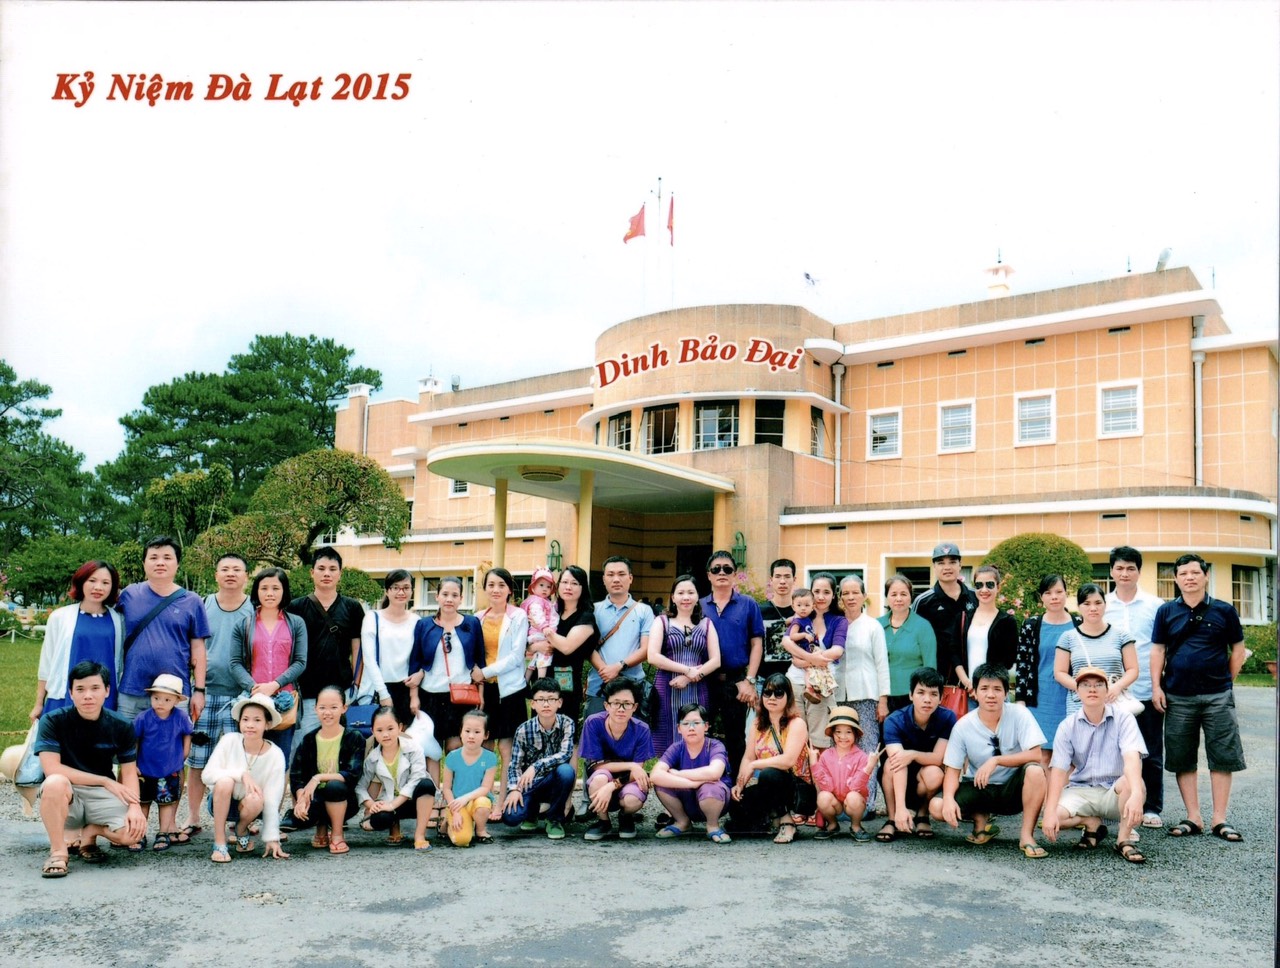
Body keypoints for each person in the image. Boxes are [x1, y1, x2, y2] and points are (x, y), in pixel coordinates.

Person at [1150, 553, 1247, 843]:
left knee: (1223, 756)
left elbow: (1238, 650)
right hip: (1178, 696)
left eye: (1195, 572)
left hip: (1218, 695)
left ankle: (1220, 819)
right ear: (1176, 578)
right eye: (1183, 573)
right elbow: (1158, 651)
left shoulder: (1224, 610)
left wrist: (1226, 681)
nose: (1189, 578)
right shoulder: (1166, 611)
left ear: (1206, 576)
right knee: (1182, 757)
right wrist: (1156, 687)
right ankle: (1193, 817)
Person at [33, 660, 146, 876]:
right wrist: (105, 780)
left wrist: (134, 806)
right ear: (71, 693)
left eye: (95, 688)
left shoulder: (121, 725)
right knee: (54, 782)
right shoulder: (53, 721)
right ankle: (58, 852)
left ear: (107, 691)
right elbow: (51, 769)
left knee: (133, 834)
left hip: (100, 796)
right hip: (67, 794)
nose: (88, 696)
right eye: (80, 689)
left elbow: (129, 772)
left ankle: (91, 831)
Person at [930, 663, 1048, 858]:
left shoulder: (1020, 714)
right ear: (975, 692)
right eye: (984, 688)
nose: (991, 695)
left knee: (1035, 771)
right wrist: (949, 799)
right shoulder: (963, 726)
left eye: (997, 689)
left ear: (1006, 693)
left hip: (1012, 791)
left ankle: (1027, 836)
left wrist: (997, 761)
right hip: (979, 789)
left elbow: (1036, 755)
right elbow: (952, 770)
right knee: (937, 807)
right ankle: (980, 819)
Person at [1042, 666, 1148, 864]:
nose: (1092, 689)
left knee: (1134, 784)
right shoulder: (1067, 726)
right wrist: (1048, 812)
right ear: (1077, 691)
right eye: (1085, 685)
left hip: (1114, 791)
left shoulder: (1124, 719)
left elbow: (1132, 758)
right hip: (1081, 790)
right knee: (1053, 815)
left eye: (1099, 684)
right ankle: (1091, 823)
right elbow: (1058, 770)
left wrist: (1136, 793)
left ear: (1107, 690)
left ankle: (1123, 839)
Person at [187, 553, 254, 843]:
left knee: (242, 760)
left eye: (237, 569)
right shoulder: (204, 605)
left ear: (246, 576)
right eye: (224, 569)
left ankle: (244, 818)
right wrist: (196, 688)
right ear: (216, 575)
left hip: (241, 696)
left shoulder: (254, 608)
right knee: (197, 759)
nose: (230, 574)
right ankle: (192, 818)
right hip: (206, 692)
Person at [115, 536, 209, 724]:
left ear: (177, 564)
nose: (160, 562)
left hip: (174, 694)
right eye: (153, 557)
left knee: (170, 743)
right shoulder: (129, 594)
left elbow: (198, 648)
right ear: (144, 563)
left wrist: (199, 690)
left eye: (167, 557)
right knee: (127, 742)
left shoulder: (192, 601)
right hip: (132, 691)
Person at [1104, 546, 1167, 828]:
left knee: (1150, 750)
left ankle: (1151, 807)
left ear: (1139, 572)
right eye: (1119, 568)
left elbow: (1162, 647)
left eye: (1131, 568)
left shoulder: (1155, 605)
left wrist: (1158, 685)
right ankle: (1112, 806)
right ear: (1111, 571)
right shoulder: (1103, 604)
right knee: (1112, 751)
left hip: (1145, 688)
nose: (1125, 573)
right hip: (1111, 694)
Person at [406, 576, 483, 785]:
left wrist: (481, 696)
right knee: (430, 749)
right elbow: (415, 662)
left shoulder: (472, 623)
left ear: (461, 598)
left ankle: (454, 796)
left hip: (460, 697)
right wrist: (414, 697)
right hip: (429, 695)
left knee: (455, 748)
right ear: (437, 597)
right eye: (445, 594)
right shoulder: (424, 625)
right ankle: (432, 796)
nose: (449, 599)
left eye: (454, 595)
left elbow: (479, 662)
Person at [230, 567, 308, 765]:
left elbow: (300, 661)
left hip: (284, 702)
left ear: (284, 591)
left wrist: (274, 685)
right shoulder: (243, 625)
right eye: (264, 588)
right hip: (253, 701)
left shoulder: (296, 623)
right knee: (250, 760)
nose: (270, 593)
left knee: (280, 761)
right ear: (256, 591)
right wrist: (254, 688)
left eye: (275, 588)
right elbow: (235, 663)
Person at [287, 547, 364, 741]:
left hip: (342, 690)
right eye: (321, 568)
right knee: (303, 746)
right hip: (307, 692)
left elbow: (357, 649)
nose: (326, 573)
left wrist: (356, 684)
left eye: (332, 569)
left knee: (339, 746)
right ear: (312, 572)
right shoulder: (295, 607)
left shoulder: (353, 607)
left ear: (340, 573)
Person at [201, 693, 289, 863]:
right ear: (239, 722)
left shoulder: (276, 754)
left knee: (256, 797)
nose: (250, 725)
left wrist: (272, 838)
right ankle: (219, 843)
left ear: (267, 724)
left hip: (253, 807)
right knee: (225, 781)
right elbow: (207, 775)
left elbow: (272, 799)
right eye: (245, 719)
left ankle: (241, 830)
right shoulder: (229, 740)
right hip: (220, 801)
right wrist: (241, 775)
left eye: (257, 720)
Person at [471, 567, 530, 817]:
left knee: (507, 749)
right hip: (484, 690)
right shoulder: (477, 618)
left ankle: (502, 802)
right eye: (491, 585)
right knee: (484, 747)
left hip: (509, 690)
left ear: (509, 590)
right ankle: (481, 799)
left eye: (501, 585)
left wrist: (484, 672)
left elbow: (516, 657)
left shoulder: (518, 616)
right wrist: (479, 676)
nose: (496, 590)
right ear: (485, 588)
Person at [729, 673, 814, 844]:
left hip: (798, 789)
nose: (772, 698)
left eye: (779, 693)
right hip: (771, 783)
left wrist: (755, 764)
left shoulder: (796, 723)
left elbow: (788, 760)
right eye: (767, 693)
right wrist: (740, 784)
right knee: (736, 805)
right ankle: (773, 817)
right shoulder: (757, 724)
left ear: (788, 697)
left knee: (769, 774)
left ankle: (787, 821)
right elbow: (748, 758)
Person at [701, 551, 765, 775]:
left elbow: (757, 644)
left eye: (727, 569)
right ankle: (703, 785)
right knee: (701, 734)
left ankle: (737, 788)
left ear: (735, 574)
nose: (722, 572)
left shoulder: (748, 604)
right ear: (709, 575)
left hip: (737, 681)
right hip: (704, 681)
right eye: (716, 569)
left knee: (736, 737)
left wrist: (750, 680)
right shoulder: (699, 605)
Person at [34, 561, 125, 718]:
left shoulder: (118, 620)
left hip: (105, 700)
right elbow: (46, 663)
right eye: (92, 581)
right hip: (65, 698)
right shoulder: (60, 617)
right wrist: (39, 703)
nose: (98, 587)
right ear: (81, 582)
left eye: (105, 583)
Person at [646, 575, 721, 753]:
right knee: (666, 733)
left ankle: (694, 767)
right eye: (680, 593)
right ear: (673, 597)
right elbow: (653, 656)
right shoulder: (662, 622)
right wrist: (687, 670)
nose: (685, 597)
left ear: (697, 597)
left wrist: (689, 677)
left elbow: (716, 660)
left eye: (690, 592)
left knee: (695, 729)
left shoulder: (706, 624)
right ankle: (667, 768)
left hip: (698, 688)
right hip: (667, 687)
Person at [880, 667, 956, 840]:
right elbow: (898, 761)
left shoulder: (947, 717)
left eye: (933, 694)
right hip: (896, 777)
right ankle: (892, 818)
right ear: (911, 695)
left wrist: (912, 754)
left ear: (941, 698)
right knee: (891, 764)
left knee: (935, 773)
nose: (927, 699)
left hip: (925, 773)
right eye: (921, 692)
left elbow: (938, 758)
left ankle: (922, 815)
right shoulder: (894, 720)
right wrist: (901, 808)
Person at [1014, 574, 1082, 768]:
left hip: (1071, 697)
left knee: (1071, 756)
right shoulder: (1031, 625)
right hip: (1040, 698)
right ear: (1041, 597)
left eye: (1059, 592)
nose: (1054, 597)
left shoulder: (1079, 623)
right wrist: (1020, 700)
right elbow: (1022, 664)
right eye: (1048, 593)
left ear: (1066, 593)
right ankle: (1044, 790)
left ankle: (1065, 790)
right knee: (1042, 755)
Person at [289, 686, 366, 854]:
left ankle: (337, 835)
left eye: (333, 707)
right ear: (315, 709)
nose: (327, 712)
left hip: (344, 799)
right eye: (322, 707)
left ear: (344, 708)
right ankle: (321, 827)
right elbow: (296, 775)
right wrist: (301, 798)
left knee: (334, 786)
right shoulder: (308, 739)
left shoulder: (354, 737)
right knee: (297, 818)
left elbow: (352, 774)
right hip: (315, 799)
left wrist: (317, 778)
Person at [837, 574, 889, 814]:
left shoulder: (872, 626)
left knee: (867, 749)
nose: (850, 597)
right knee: (841, 749)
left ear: (864, 596)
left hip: (867, 695)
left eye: (855, 592)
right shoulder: (835, 623)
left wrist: (883, 699)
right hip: (838, 696)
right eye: (845, 593)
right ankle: (843, 802)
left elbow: (882, 664)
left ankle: (866, 804)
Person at [578, 678, 655, 841]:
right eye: (616, 703)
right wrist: (631, 765)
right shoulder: (593, 723)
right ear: (606, 705)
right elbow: (595, 766)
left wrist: (612, 785)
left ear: (635, 707)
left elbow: (638, 772)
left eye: (627, 704)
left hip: (628, 781)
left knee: (632, 800)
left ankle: (625, 817)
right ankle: (603, 821)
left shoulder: (642, 730)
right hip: (602, 776)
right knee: (599, 779)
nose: (621, 709)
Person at [501, 678, 577, 840]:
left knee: (566, 771)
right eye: (541, 700)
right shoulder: (523, 730)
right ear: (533, 704)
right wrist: (514, 790)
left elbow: (565, 754)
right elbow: (514, 765)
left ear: (560, 702)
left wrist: (535, 766)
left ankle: (554, 819)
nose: (546, 704)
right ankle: (531, 812)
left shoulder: (567, 723)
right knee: (510, 817)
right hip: (530, 784)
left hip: (554, 780)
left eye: (551, 699)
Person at [649, 702, 733, 844]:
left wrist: (678, 774)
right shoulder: (676, 748)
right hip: (686, 800)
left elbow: (715, 772)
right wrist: (693, 784)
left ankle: (712, 826)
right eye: (686, 723)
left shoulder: (715, 745)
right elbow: (655, 775)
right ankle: (682, 822)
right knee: (661, 784)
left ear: (706, 726)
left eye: (696, 723)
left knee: (711, 787)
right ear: (679, 728)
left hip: (713, 799)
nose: (691, 728)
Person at [356, 706, 435, 850]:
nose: (385, 734)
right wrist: (371, 804)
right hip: (390, 801)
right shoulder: (372, 758)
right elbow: (360, 786)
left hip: (414, 801)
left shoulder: (414, 748)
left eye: (390, 729)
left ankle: (419, 836)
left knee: (426, 784)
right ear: (373, 731)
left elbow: (417, 779)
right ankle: (394, 827)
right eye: (379, 730)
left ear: (400, 728)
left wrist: (392, 805)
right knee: (379, 820)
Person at [1054, 582, 1137, 717]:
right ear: (1079, 606)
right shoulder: (1068, 637)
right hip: (1079, 705)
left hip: (1112, 701)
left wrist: (1117, 687)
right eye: (1087, 604)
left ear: (1105, 604)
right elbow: (1060, 673)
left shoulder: (1122, 636)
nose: (1093, 608)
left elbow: (1133, 669)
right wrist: (1084, 689)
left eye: (1098, 603)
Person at [133, 673, 193, 852]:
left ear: (176, 701)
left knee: (166, 802)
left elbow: (187, 734)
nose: (160, 703)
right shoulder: (143, 718)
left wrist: (184, 754)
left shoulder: (181, 717)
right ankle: (139, 834)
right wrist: (133, 763)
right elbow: (135, 740)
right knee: (143, 802)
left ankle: (163, 832)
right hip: (145, 769)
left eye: (167, 699)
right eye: (156, 698)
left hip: (169, 769)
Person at [588, 556, 654, 717]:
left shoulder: (644, 611)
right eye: (610, 574)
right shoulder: (593, 610)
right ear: (604, 579)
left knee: (633, 731)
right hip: (599, 686)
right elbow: (587, 647)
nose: (616, 579)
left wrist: (618, 667)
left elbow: (647, 649)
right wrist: (606, 671)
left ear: (630, 578)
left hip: (633, 687)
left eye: (621, 574)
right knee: (596, 730)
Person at [946, 564, 1017, 700]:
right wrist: (968, 683)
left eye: (989, 585)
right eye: (979, 585)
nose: (984, 590)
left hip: (993, 693)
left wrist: (984, 687)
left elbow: (1008, 661)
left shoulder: (1007, 621)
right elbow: (954, 653)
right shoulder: (963, 617)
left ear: (998, 587)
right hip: (967, 692)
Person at [540, 565, 599, 726]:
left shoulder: (585, 617)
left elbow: (566, 647)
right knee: (541, 729)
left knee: (564, 730)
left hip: (567, 684)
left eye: (574, 583)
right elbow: (530, 645)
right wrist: (536, 647)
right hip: (544, 679)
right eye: (564, 582)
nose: (568, 587)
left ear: (582, 588)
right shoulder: (552, 612)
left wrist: (543, 629)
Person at [357, 570, 418, 725]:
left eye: (406, 587)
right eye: (395, 587)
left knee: (405, 737)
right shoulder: (372, 618)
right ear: (387, 591)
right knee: (379, 735)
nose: (401, 592)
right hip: (378, 689)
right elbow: (369, 659)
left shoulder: (416, 620)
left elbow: (420, 657)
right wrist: (383, 693)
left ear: (412, 591)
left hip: (406, 689)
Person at [912, 542, 977, 685]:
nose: (947, 567)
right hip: (935, 677)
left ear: (960, 565)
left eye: (952, 562)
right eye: (941, 563)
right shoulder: (923, 601)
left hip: (972, 674)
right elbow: (913, 639)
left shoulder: (975, 597)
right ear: (934, 566)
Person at [812, 705, 876, 842]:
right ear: (832, 734)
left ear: (855, 734)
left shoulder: (862, 757)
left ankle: (856, 826)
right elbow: (826, 787)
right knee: (823, 797)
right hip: (834, 807)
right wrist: (814, 764)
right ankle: (833, 824)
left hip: (855, 807)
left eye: (848, 732)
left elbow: (855, 787)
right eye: (838, 732)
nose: (843, 737)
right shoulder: (826, 755)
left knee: (853, 796)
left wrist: (869, 768)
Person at [879, 574, 937, 712]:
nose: (899, 599)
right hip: (881, 696)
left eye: (903, 594)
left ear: (911, 597)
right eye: (894, 594)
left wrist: (925, 698)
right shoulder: (876, 625)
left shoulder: (923, 626)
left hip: (912, 697)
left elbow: (930, 667)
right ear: (887, 597)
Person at [441, 710, 499, 848]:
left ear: (486, 735)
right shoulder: (452, 757)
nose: (471, 736)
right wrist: (455, 811)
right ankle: (447, 821)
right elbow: (447, 788)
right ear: (461, 732)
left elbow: (485, 788)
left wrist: (466, 798)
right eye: (467, 731)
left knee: (483, 803)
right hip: (456, 804)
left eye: (477, 732)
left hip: (476, 800)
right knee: (462, 840)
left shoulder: (490, 758)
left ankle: (480, 830)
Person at [785, 588, 837, 730]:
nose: (803, 608)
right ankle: (810, 689)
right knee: (809, 669)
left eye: (807, 605)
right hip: (801, 650)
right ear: (793, 606)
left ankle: (812, 688)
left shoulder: (806, 619)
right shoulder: (797, 621)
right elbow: (792, 636)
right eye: (799, 605)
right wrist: (804, 636)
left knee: (812, 670)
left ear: (813, 606)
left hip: (807, 650)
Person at [758, 558, 798, 680]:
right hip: (765, 680)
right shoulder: (759, 611)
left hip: (796, 679)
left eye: (787, 577)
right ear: (771, 580)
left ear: (794, 579)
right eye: (778, 576)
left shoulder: (802, 611)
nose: (782, 581)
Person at [521, 567, 560, 679]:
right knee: (544, 657)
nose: (545, 589)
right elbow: (537, 615)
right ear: (533, 588)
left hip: (538, 634)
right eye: (541, 585)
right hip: (540, 634)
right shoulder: (536, 602)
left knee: (532, 660)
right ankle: (541, 680)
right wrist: (544, 627)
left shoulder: (545, 601)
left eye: (548, 586)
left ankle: (525, 681)